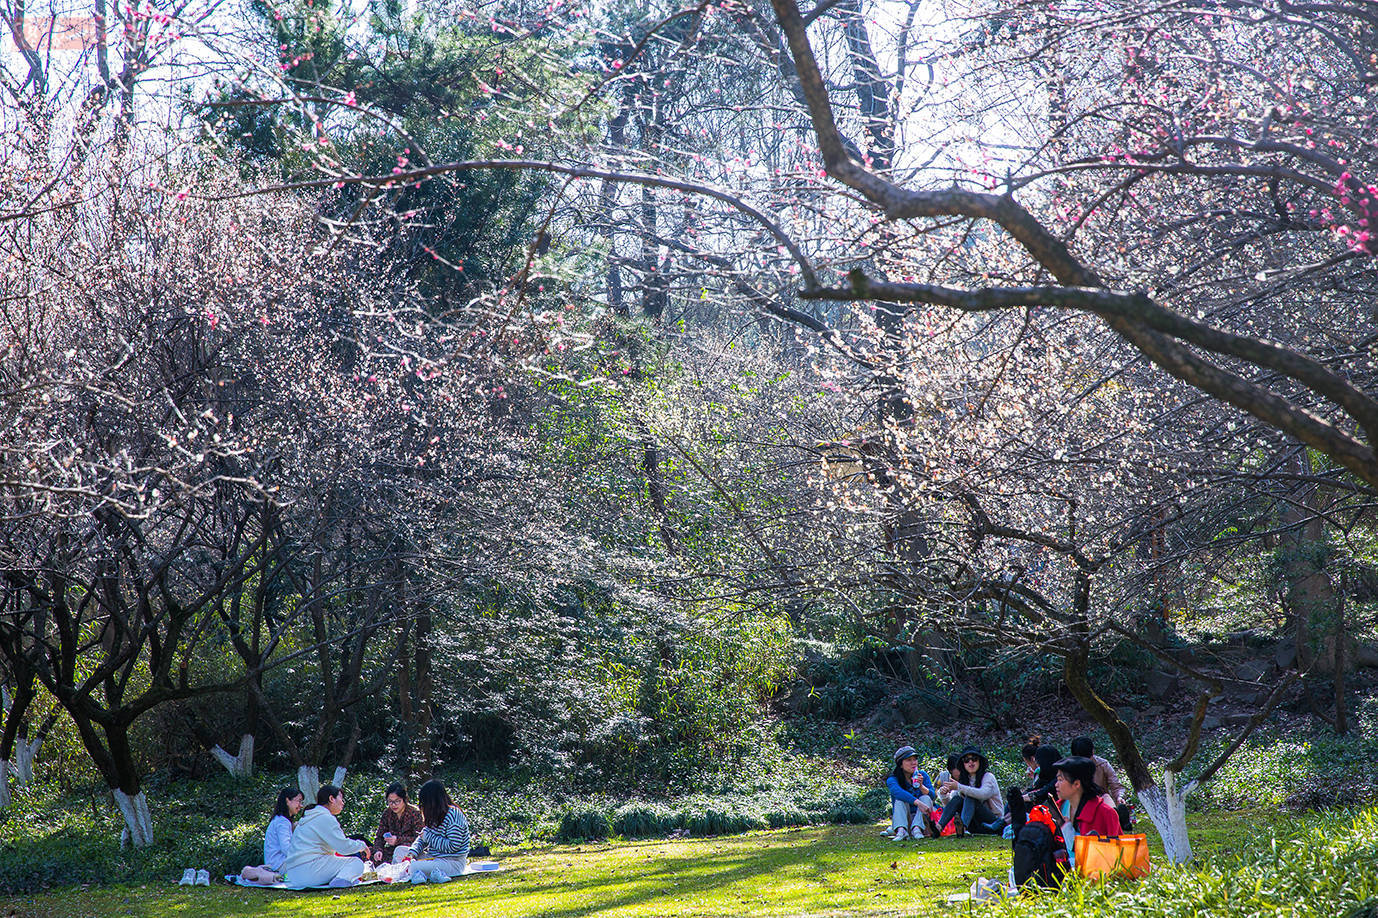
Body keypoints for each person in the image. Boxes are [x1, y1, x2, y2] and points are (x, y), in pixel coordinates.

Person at [280, 785, 370, 889]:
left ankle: (338, 879)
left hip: (294, 875)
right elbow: (343, 847)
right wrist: (362, 845)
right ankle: (339, 882)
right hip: (309, 871)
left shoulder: (308, 817)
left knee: (338, 860)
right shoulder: (324, 817)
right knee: (356, 863)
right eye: (341, 798)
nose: (343, 802)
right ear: (331, 799)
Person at [1051, 755, 1121, 867]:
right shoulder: (1059, 807)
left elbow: (1115, 857)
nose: (1056, 785)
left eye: (1060, 780)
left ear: (1077, 784)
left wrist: (1068, 832)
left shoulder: (1105, 813)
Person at [409, 779, 471, 883]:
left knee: (413, 866)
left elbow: (453, 846)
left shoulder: (454, 815)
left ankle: (418, 871)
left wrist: (428, 837)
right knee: (400, 851)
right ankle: (419, 871)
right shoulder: (433, 815)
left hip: (452, 862)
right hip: (433, 858)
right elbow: (422, 836)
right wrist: (412, 852)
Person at [239, 786, 304, 884]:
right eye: (298, 801)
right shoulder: (282, 822)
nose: (301, 805)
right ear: (287, 801)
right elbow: (286, 848)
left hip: (275, 863)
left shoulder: (281, 820)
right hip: (278, 865)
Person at [935, 746, 1005, 835]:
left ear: (980, 761)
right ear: (963, 764)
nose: (971, 762)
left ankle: (963, 828)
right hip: (975, 824)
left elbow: (983, 794)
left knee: (970, 798)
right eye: (966, 760)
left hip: (994, 823)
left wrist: (959, 787)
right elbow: (953, 804)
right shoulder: (965, 780)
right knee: (957, 798)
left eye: (974, 759)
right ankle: (938, 827)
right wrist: (944, 795)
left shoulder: (988, 777)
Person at [1069, 736, 1131, 831]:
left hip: (1100, 800)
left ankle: (1118, 818)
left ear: (1092, 752)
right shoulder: (1069, 768)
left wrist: (1120, 797)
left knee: (1106, 799)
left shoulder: (1102, 765)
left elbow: (1116, 785)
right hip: (1079, 802)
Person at [885, 746, 936, 841]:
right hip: (905, 817)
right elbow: (898, 793)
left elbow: (933, 796)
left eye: (915, 759)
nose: (913, 763)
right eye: (909, 760)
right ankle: (902, 831)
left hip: (922, 818)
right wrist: (918, 803)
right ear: (901, 764)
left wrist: (921, 786)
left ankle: (917, 829)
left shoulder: (922, 775)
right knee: (900, 800)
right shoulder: (893, 779)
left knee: (926, 798)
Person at [372, 782, 424, 864]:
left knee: (399, 851)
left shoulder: (414, 813)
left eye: (397, 801)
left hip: (410, 850)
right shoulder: (387, 813)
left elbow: (420, 839)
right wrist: (378, 850)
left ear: (404, 800)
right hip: (391, 851)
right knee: (367, 853)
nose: (394, 805)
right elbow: (379, 836)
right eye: (390, 802)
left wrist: (398, 840)